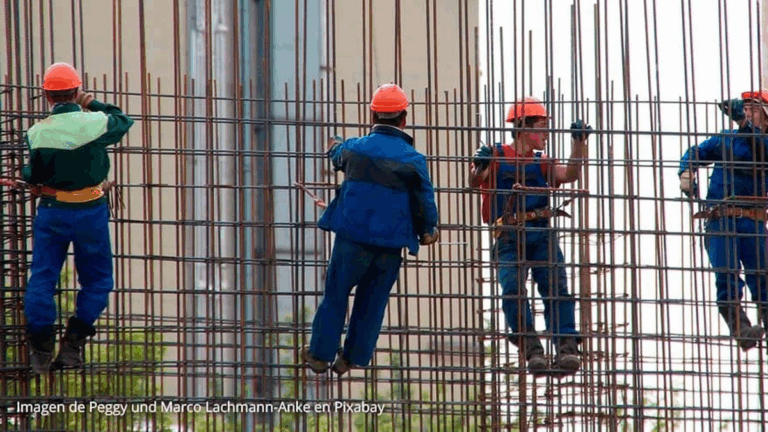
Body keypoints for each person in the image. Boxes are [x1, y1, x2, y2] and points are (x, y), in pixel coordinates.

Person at [302, 84, 440, 376]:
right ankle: (352, 358)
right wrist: (429, 230)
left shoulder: (354, 148)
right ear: (404, 119)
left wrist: (333, 143)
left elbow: (337, 155)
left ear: (372, 114)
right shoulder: (414, 159)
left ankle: (319, 354)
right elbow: (426, 198)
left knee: (336, 294)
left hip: (352, 240)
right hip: (391, 246)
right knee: (373, 302)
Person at [22, 62, 134, 373]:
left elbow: (35, 173)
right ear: (76, 90)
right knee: (98, 280)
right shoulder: (96, 122)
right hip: (91, 211)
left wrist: (28, 177)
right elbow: (124, 120)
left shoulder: (37, 132)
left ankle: (41, 347)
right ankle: (73, 344)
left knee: (43, 278)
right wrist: (91, 102)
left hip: (53, 212)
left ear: (46, 95)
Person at [469, 97, 591, 377]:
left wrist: (579, 143)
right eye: (542, 126)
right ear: (523, 127)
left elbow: (570, 174)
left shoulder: (543, 162)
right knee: (512, 289)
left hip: (541, 234)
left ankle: (566, 347)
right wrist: (480, 163)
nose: (547, 133)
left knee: (556, 288)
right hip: (508, 235)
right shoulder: (496, 154)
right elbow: (475, 181)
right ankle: (531, 347)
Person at [679, 90, 768, 352]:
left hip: (752, 220)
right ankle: (740, 328)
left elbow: (761, 152)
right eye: (746, 109)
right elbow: (697, 151)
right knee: (726, 274)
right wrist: (687, 170)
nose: (748, 113)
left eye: (754, 110)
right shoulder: (726, 139)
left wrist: (744, 125)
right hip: (721, 220)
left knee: (762, 276)